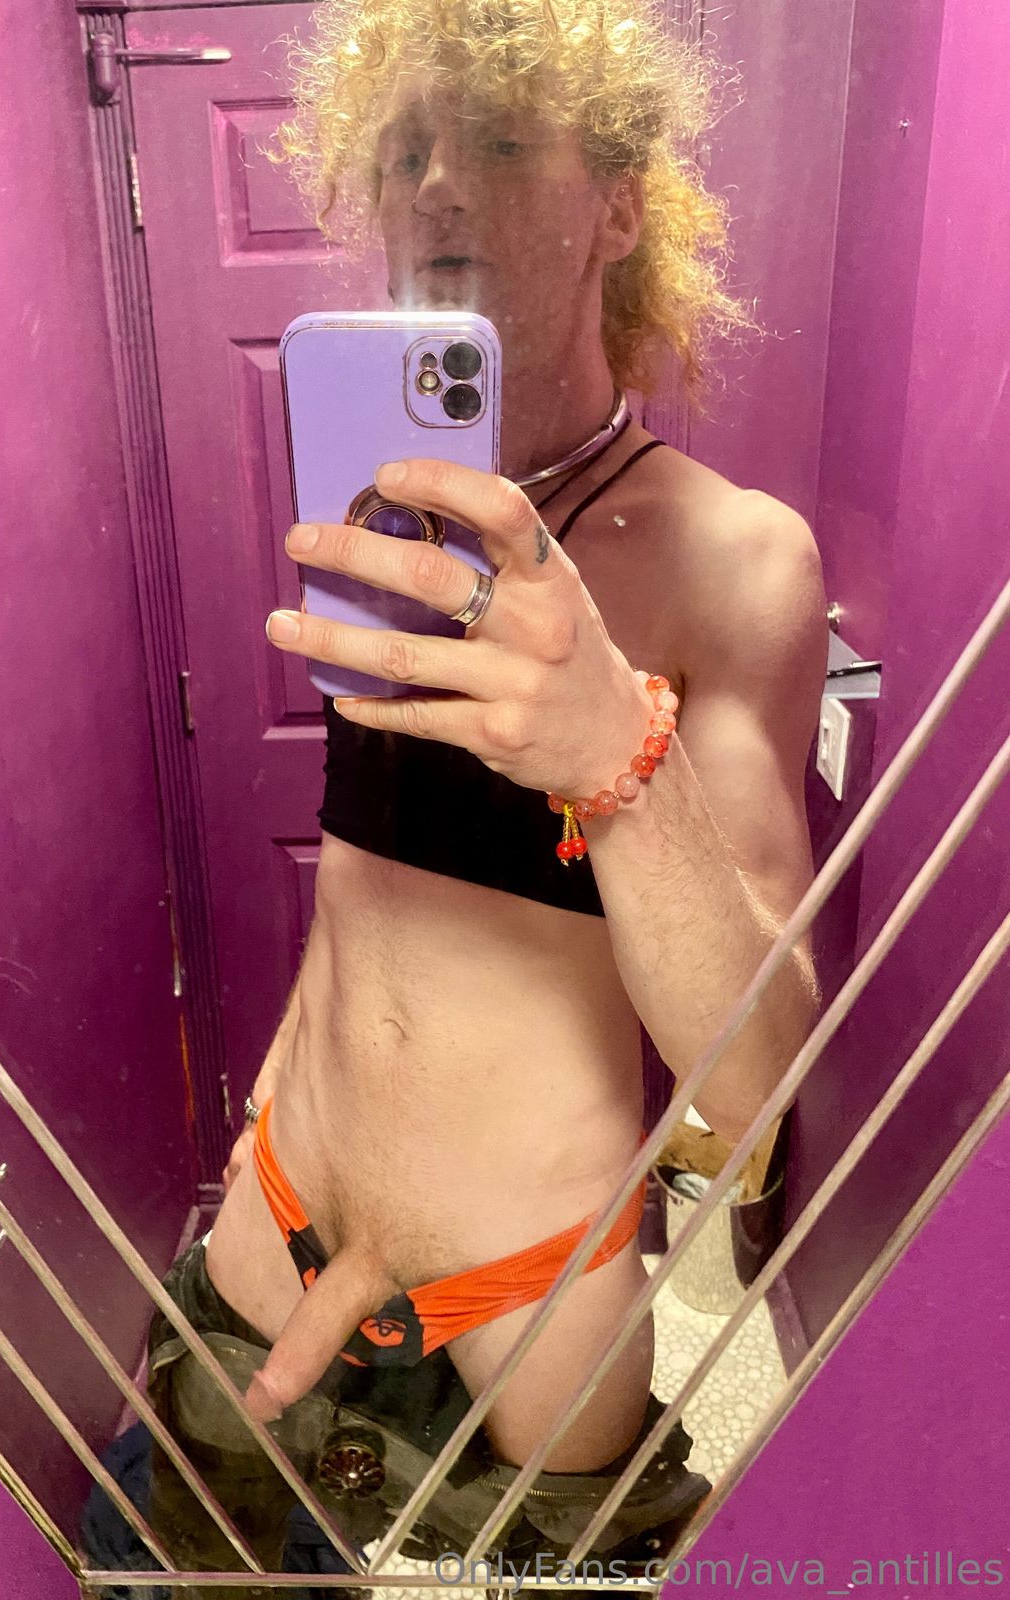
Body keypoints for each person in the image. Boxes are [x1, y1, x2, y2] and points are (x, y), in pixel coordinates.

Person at [140, 0, 826, 1584]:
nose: (437, 185)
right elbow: (372, 879)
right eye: (404, 152)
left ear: (621, 209)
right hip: (280, 1203)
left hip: (534, 1292)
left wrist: (618, 760)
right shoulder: (383, 510)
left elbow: (758, 1079)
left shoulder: (734, 560)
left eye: (503, 142)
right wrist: (278, 1087)